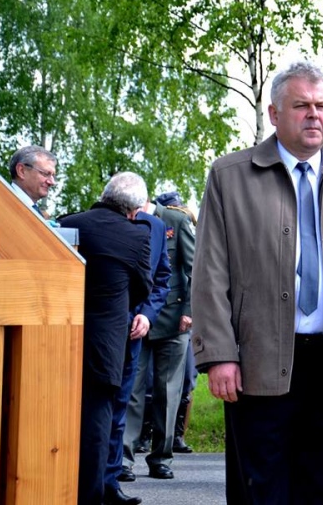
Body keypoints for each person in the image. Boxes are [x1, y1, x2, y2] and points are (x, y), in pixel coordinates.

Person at [191, 61, 323, 504]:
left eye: (322, 106)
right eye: (301, 105)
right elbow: (209, 274)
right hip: (258, 362)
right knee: (259, 491)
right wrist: (219, 354)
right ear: (274, 113)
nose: (313, 115)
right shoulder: (230, 176)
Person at [57, 172, 153, 505]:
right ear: (134, 210)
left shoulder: (67, 223)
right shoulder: (136, 236)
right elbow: (142, 287)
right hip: (106, 343)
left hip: (59, 335)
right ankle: (89, 497)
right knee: (97, 424)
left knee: (56, 413)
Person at [122, 193, 196, 481]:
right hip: (137, 319)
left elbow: (195, 268)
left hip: (174, 320)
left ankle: (161, 458)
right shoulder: (127, 219)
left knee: (168, 392)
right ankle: (124, 459)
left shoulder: (175, 220)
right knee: (132, 390)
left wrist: (189, 310)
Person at [103, 208, 171, 505]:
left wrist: (148, 314)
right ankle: (97, 477)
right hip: (101, 328)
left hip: (139, 328)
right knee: (106, 407)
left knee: (124, 404)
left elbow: (164, 276)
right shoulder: (91, 222)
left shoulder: (157, 226)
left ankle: (112, 479)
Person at [8, 145, 57, 213]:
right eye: (46, 173)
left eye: (53, 176)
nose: (52, 182)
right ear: (21, 171)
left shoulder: (36, 212)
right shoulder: (1, 202)